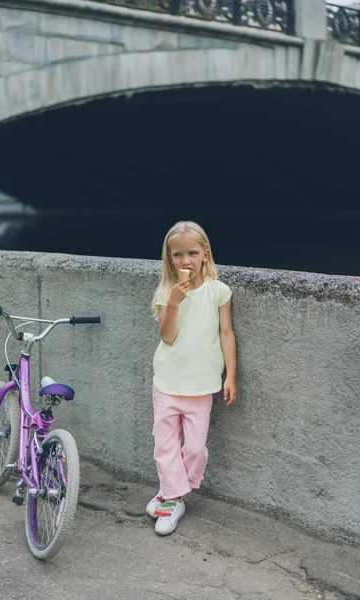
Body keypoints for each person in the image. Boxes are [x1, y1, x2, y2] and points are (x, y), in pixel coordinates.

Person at [147, 221, 237, 536]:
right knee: (165, 444)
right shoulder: (165, 292)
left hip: (202, 385)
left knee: (196, 448)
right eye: (177, 255)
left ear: (204, 255)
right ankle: (173, 499)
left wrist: (231, 375)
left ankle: (172, 490)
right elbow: (167, 336)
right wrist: (173, 302)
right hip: (168, 382)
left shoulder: (218, 291)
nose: (185, 261)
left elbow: (226, 333)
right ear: (168, 259)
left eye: (192, 253)